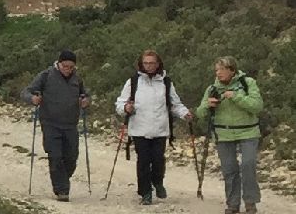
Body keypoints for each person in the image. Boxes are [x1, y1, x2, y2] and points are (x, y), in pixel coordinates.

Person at [113, 50, 192, 205]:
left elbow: (175, 104)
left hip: (160, 129)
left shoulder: (166, 82)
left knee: (158, 161)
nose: (149, 66)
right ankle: (145, 193)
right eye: (146, 63)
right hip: (139, 129)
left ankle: (157, 182)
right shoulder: (133, 82)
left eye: (152, 63)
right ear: (141, 64)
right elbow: (120, 103)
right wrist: (126, 108)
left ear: (158, 64)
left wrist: (185, 114)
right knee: (143, 161)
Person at [195, 57, 264, 214]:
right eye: (216, 70)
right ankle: (232, 204)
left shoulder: (248, 83)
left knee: (248, 165)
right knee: (229, 169)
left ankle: (250, 202)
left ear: (232, 70)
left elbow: (257, 106)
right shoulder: (212, 88)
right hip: (223, 133)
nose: (218, 73)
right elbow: (200, 112)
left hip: (248, 131)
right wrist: (208, 105)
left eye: (222, 69)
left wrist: (236, 97)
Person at [26, 49, 90, 202]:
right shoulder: (46, 76)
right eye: (65, 66)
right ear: (58, 64)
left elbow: (85, 94)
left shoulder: (77, 79)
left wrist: (86, 100)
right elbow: (27, 92)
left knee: (71, 158)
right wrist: (33, 98)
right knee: (55, 156)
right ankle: (62, 189)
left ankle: (61, 179)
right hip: (50, 123)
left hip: (70, 125)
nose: (68, 70)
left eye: (71, 67)